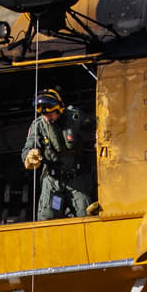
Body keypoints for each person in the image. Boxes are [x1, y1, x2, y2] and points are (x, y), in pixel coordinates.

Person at [20, 89, 95, 220]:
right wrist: (29, 155)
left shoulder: (74, 117)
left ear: (59, 109)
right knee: (48, 218)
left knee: (86, 215)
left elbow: (95, 125)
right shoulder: (39, 125)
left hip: (77, 180)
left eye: (50, 114)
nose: (47, 118)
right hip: (53, 182)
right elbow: (29, 146)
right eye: (44, 114)